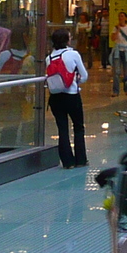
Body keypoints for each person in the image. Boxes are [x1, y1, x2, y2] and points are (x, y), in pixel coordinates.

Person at [44, 28, 89, 168]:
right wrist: (75, 81)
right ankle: (81, 160)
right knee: (78, 127)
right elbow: (85, 75)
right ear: (66, 40)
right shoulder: (73, 54)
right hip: (71, 95)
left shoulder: (49, 58)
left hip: (55, 98)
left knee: (62, 128)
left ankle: (67, 161)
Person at [110, 11, 127, 96]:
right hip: (118, 51)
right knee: (116, 72)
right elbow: (113, 39)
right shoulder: (115, 28)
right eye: (119, 16)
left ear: (125, 18)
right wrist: (118, 29)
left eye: (122, 16)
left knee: (126, 71)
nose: (120, 18)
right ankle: (116, 90)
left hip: (126, 51)